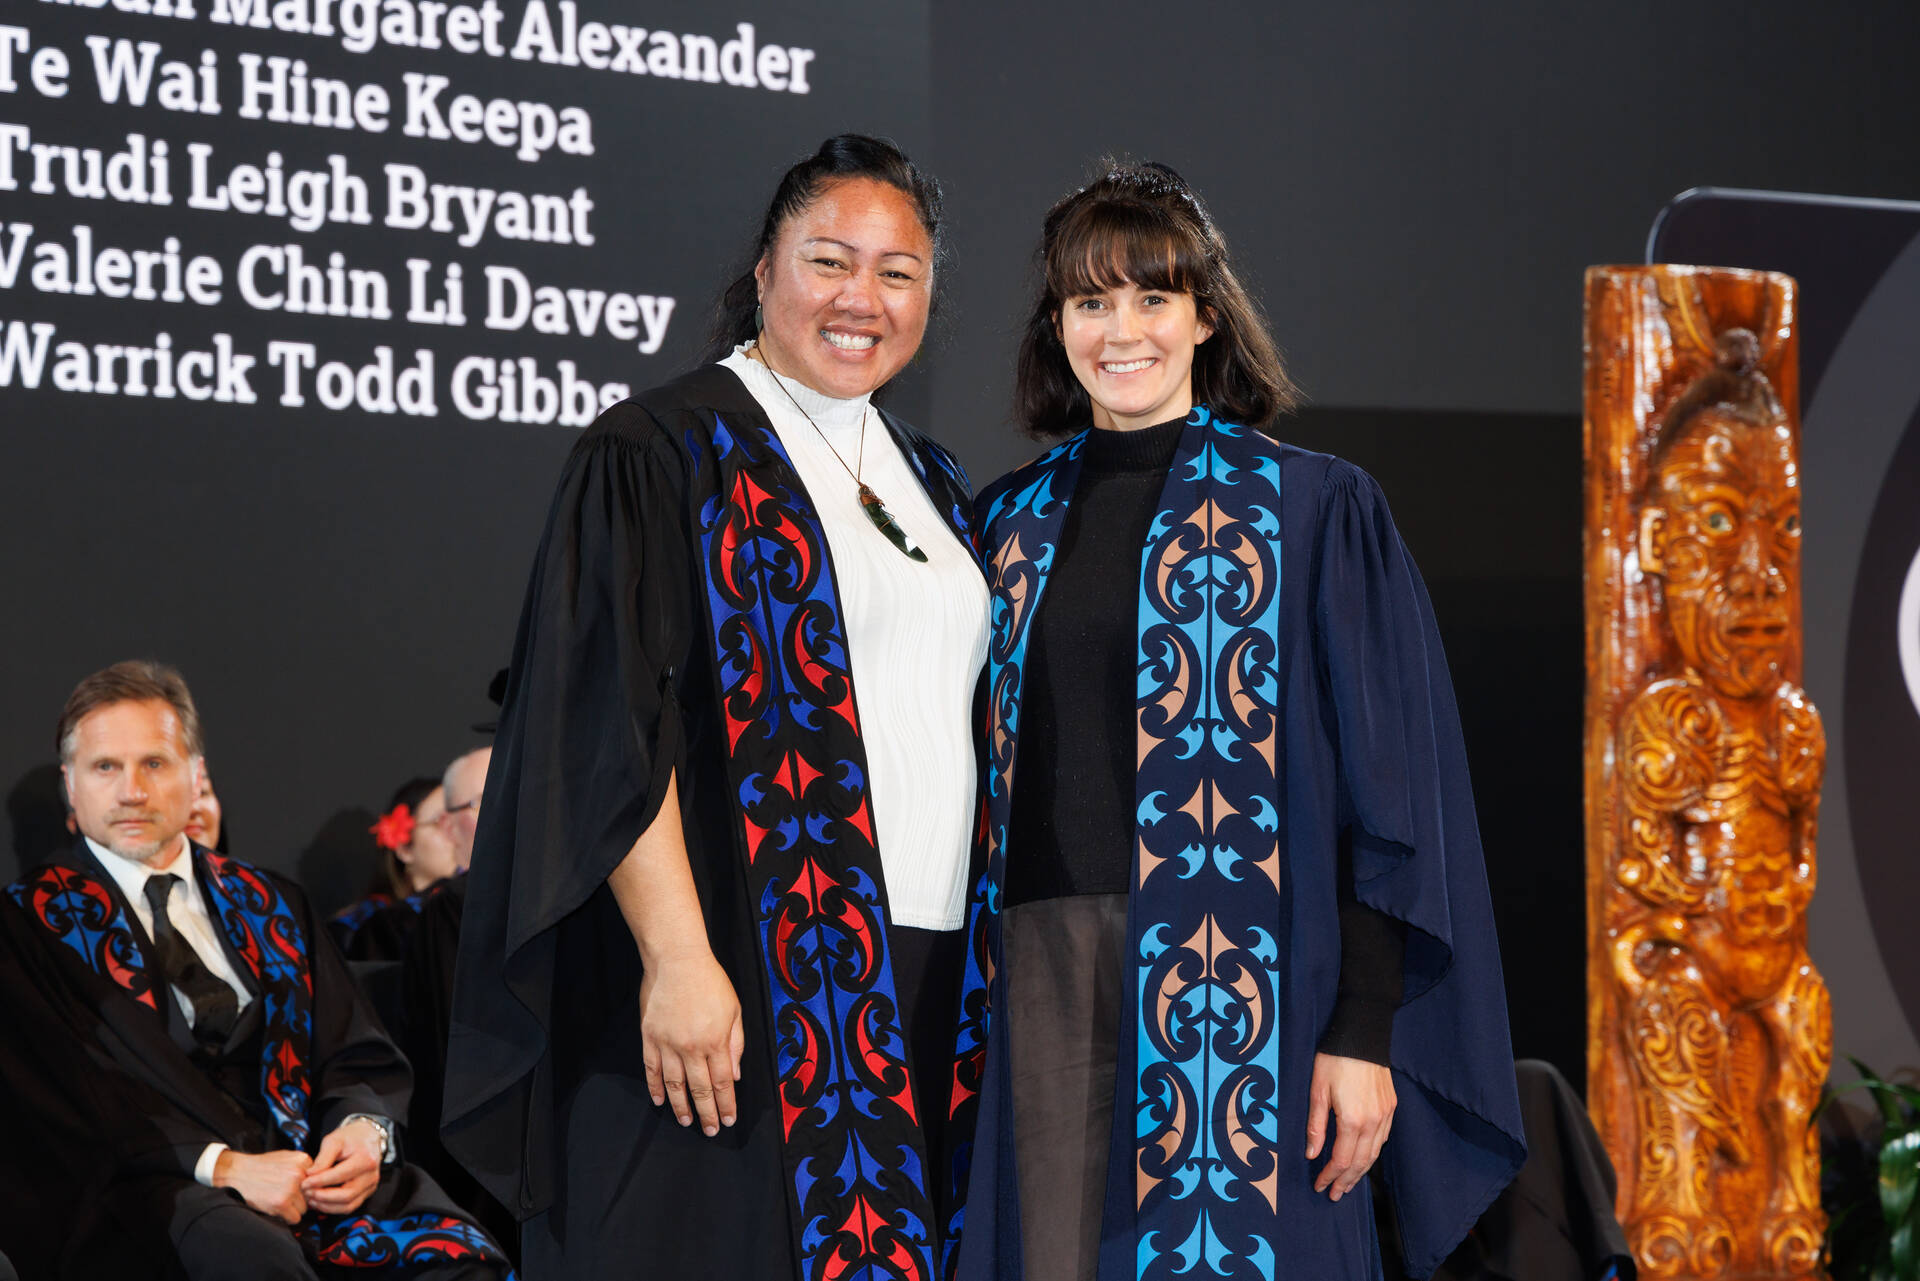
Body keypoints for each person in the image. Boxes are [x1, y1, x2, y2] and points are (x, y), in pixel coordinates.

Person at [950, 163, 1525, 1279]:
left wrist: (1362, 1031)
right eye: (1090, 301)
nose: (1122, 331)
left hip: (1256, 983)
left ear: (1206, 316)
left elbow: (1388, 796)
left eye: (1152, 297)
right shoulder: (1004, 522)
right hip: (1039, 972)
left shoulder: (1311, 508)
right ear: (1057, 324)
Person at [444, 134, 989, 1280]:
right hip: (742, 956)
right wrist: (678, 956)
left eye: (898, 273)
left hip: (915, 968)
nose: (862, 298)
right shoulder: (663, 448)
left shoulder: (932, 479)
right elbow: (606, 723)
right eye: (830, 260)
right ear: (763, 271)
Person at [0, 661, 512, 1279]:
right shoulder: (27, 926)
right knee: (254, 1260)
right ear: (70, 785)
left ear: (196, 775)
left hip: (315, 1174)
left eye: (154, 763)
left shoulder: (273, 903)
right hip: (156, 1186)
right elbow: (60, 1100)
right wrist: (226, 1167)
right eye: (105, 767)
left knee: (464, 1262)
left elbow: (353, 1049)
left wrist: (362, 1133)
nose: (131, 791)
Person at [329, 776, 463, 960]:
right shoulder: (362, 927)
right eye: (440, 822)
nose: (457, 832)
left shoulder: (476, 911)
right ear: (404, 849)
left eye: (460, 821)